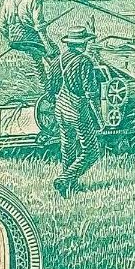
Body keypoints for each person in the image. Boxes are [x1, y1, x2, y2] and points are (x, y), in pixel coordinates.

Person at [48, 24, 106, 195]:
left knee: (68, 148)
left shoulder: (57, 60)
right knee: (91, 152)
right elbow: (91, 94)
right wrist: (100, 118)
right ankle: (64, 179)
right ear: (84, 43)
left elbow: (51, 90)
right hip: (77, 109)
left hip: (60, 108)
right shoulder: (85, 62)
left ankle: (70, 187)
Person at [0, 0, 56, 88]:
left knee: (36, 59)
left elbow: (2, 25)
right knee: (55, 52)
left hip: (14, 40)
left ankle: (44, 85)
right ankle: (53, 85)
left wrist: (11, 38)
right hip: (31, 38)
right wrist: (48, 46)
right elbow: (39, 26)